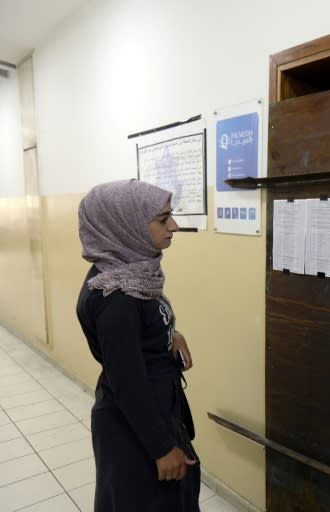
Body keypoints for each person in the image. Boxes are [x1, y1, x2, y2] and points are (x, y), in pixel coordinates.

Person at [76, 179, 200, 511]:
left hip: (151, 412)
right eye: (163, 219)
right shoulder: (116, 297)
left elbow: (141, 322)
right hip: (136, 427)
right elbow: (127, 384)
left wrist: (167, 332)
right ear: (123, 223)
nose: (173, 226)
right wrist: (161, 448)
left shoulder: (129, 271)